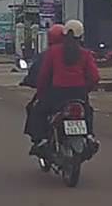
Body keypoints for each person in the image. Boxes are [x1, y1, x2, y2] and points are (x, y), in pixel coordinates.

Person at [27, 20, 99, 155]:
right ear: (81, 36)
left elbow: (44, 75)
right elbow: (94, 77)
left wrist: (41, 92)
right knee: (87, 112)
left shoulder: (54, 52)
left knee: (38, 111)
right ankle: (89, 135)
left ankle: (41, 139)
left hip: (57, 94)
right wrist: (86, 89)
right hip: (79, 94)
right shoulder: (86, 54)